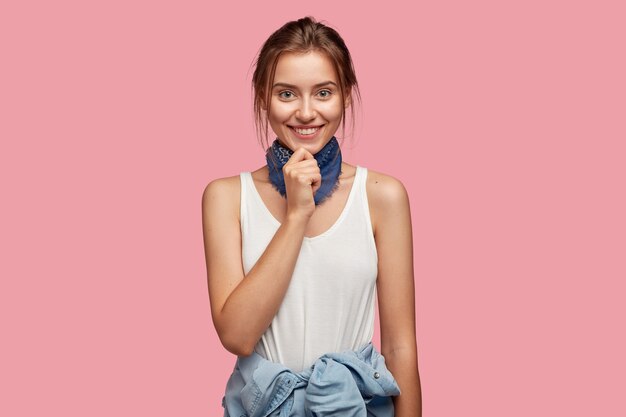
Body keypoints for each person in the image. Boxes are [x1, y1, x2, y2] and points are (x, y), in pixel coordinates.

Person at [202, 16, 422, 416]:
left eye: (323, 92)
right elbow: (237, 335)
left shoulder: (382, 196)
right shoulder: (226, 197)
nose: (306, 112)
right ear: (261, 98)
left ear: (346, 96)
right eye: (286, 94)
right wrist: (296, 215)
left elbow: (399, 346)